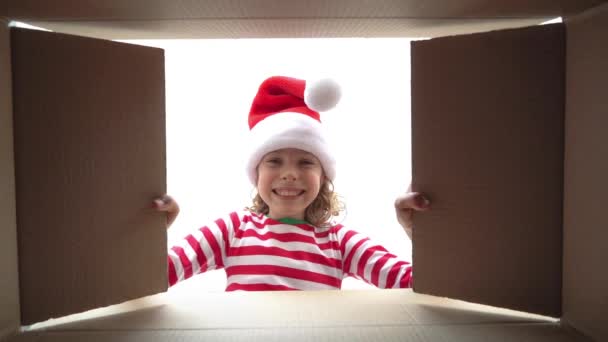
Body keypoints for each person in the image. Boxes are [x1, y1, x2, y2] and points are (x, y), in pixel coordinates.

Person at [154, 76, 430, 291]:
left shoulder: (339, 242)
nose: (289, 173)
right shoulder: (233, 230)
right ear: (257, 173)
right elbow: (156, 276)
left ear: (323, 178)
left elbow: (416, 284)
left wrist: (418, 232)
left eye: (305, 162)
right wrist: (153, 233)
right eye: (274, 161)